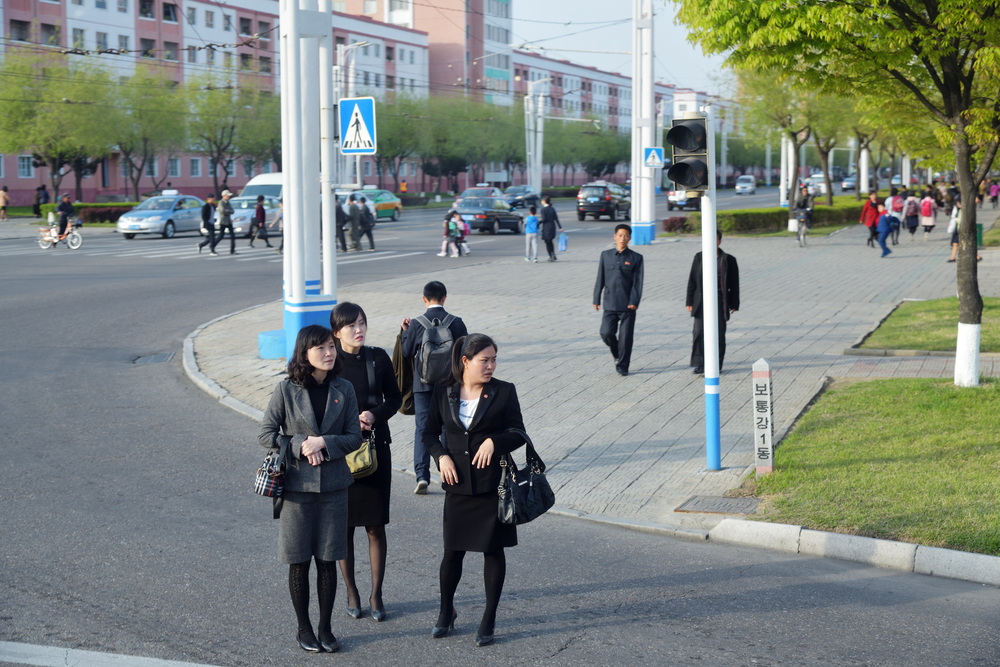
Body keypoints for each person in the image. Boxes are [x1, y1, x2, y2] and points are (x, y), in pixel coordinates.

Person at [258, 325, 363, 654]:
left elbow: (354, 437)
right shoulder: (286, 390)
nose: (329, 353)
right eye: (321, 348)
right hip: (296, 490)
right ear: (305, 353)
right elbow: (266, 433)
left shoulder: (344, 389)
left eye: (331, 346)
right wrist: (301, 444)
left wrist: (324, 443)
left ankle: (325, 628)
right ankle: (304, 628)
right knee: (299, 561)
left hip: (334, 488)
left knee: (328, 560)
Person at [423, 333, 527, 647]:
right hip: (457, 486)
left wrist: (496, 441)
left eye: (494, 359)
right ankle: (446, 611)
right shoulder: (444, 391)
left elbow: (519, 432)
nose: (491, 366)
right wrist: (440, 456)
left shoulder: (504, 391)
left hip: (491, 485)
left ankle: (489, 617)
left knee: (492, 551)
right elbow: (428, 432)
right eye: (485, 359)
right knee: (452, 553)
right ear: (466, 361)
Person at [329, 303, 402, 623]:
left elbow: (396, 399)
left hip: (376, 450)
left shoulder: (378, 357)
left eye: (362, 323)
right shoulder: (330, 362)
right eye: (351, 326)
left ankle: (376, 594)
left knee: (375, 526)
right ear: (336, 332)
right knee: (344, 527)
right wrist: (346, 423)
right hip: (341, 453)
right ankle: (351, 592)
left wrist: (374, 414)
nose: (358, 330)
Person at [400, 281, 468, 494]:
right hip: (450, 384)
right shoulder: (456, 323)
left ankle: (422, 475)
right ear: (445, 298)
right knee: (449, 426)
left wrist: (404, 332)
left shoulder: (417, 323)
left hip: (423, 384)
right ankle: (448, 475)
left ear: (424, 299)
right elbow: (466, 353)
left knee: (423, 428)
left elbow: (406, 352)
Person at [686, 230, 739, 374]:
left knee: (719, 334)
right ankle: (700, 363)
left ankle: (717, 364)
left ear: (719, 241)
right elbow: (692, 281)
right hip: (701, 301)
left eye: (714, 239)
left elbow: (734, 284)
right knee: (698, 332)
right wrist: (689, 301)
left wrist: (734, 303)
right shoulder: (699, 258)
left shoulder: (728, 259)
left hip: (719, 300)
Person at [593, 224, 644, 377]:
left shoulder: (636, 258)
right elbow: (600, 278)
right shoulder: (605, 255)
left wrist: (634, 301)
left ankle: (623, 365)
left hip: (628, 304)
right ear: (615, 236)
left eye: (626, 235)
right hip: (609, 302)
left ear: (629, 238)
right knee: (606, 333)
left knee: (626, 338)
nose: (623, 238)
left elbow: (638, 282)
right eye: (620, 235)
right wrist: (596, 298)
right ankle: (617, 354)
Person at [211, 189, 237, 255]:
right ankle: (212, 246)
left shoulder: (228, 203)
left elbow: (232, 211)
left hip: (229, 221)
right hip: (223, 221)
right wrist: (228, 211)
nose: (229, 197)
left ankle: (232, 250)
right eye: (228, 196)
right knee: (221, 236)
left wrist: (228, 211)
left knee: (233, 236)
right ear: (224, 196)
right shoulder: (221, 202)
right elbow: (223, 211)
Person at [539, 196, 563, 262]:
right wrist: (560, 227)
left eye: (542, 201)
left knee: (547, 242)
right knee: (550, 242)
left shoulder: (543, 209)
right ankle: (553, 255)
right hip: (552, 227)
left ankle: (551, 256)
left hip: (546, 228)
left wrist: (538, 223)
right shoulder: (552, 208)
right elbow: (556, 219)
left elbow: (544, 219)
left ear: (544, 201)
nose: (541, 202)